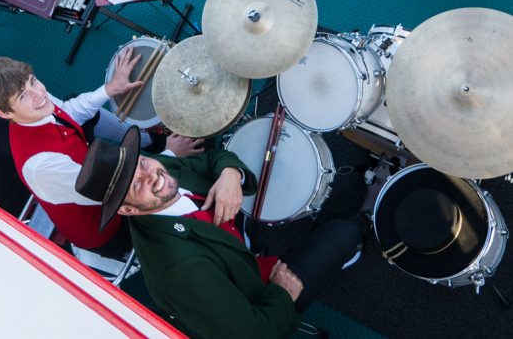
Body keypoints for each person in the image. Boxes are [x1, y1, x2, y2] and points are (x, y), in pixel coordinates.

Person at [76, 129, 364, 339]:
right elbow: (251, 334)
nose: (150, 175)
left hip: (237, 249)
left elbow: (213, 158)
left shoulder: (161, 171)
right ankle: (368, 216)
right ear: (128, 211)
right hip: (263, 295)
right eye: (136, 185)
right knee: (343, 234)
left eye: (140, 164)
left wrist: (229, 175)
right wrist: (281, 295)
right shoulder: (179, 273)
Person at [0, 54, 203, 258]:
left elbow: (69, 111)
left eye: (33, 81)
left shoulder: (38, 102)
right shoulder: (40, 166)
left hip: (93, 169)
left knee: (85, 110)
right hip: (108, 224)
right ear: (5, 113)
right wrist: (170, 155)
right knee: (178, 184)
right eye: (23, 96)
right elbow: (116, 192)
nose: (39, 95)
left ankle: (151, 140)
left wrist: (109, 89)